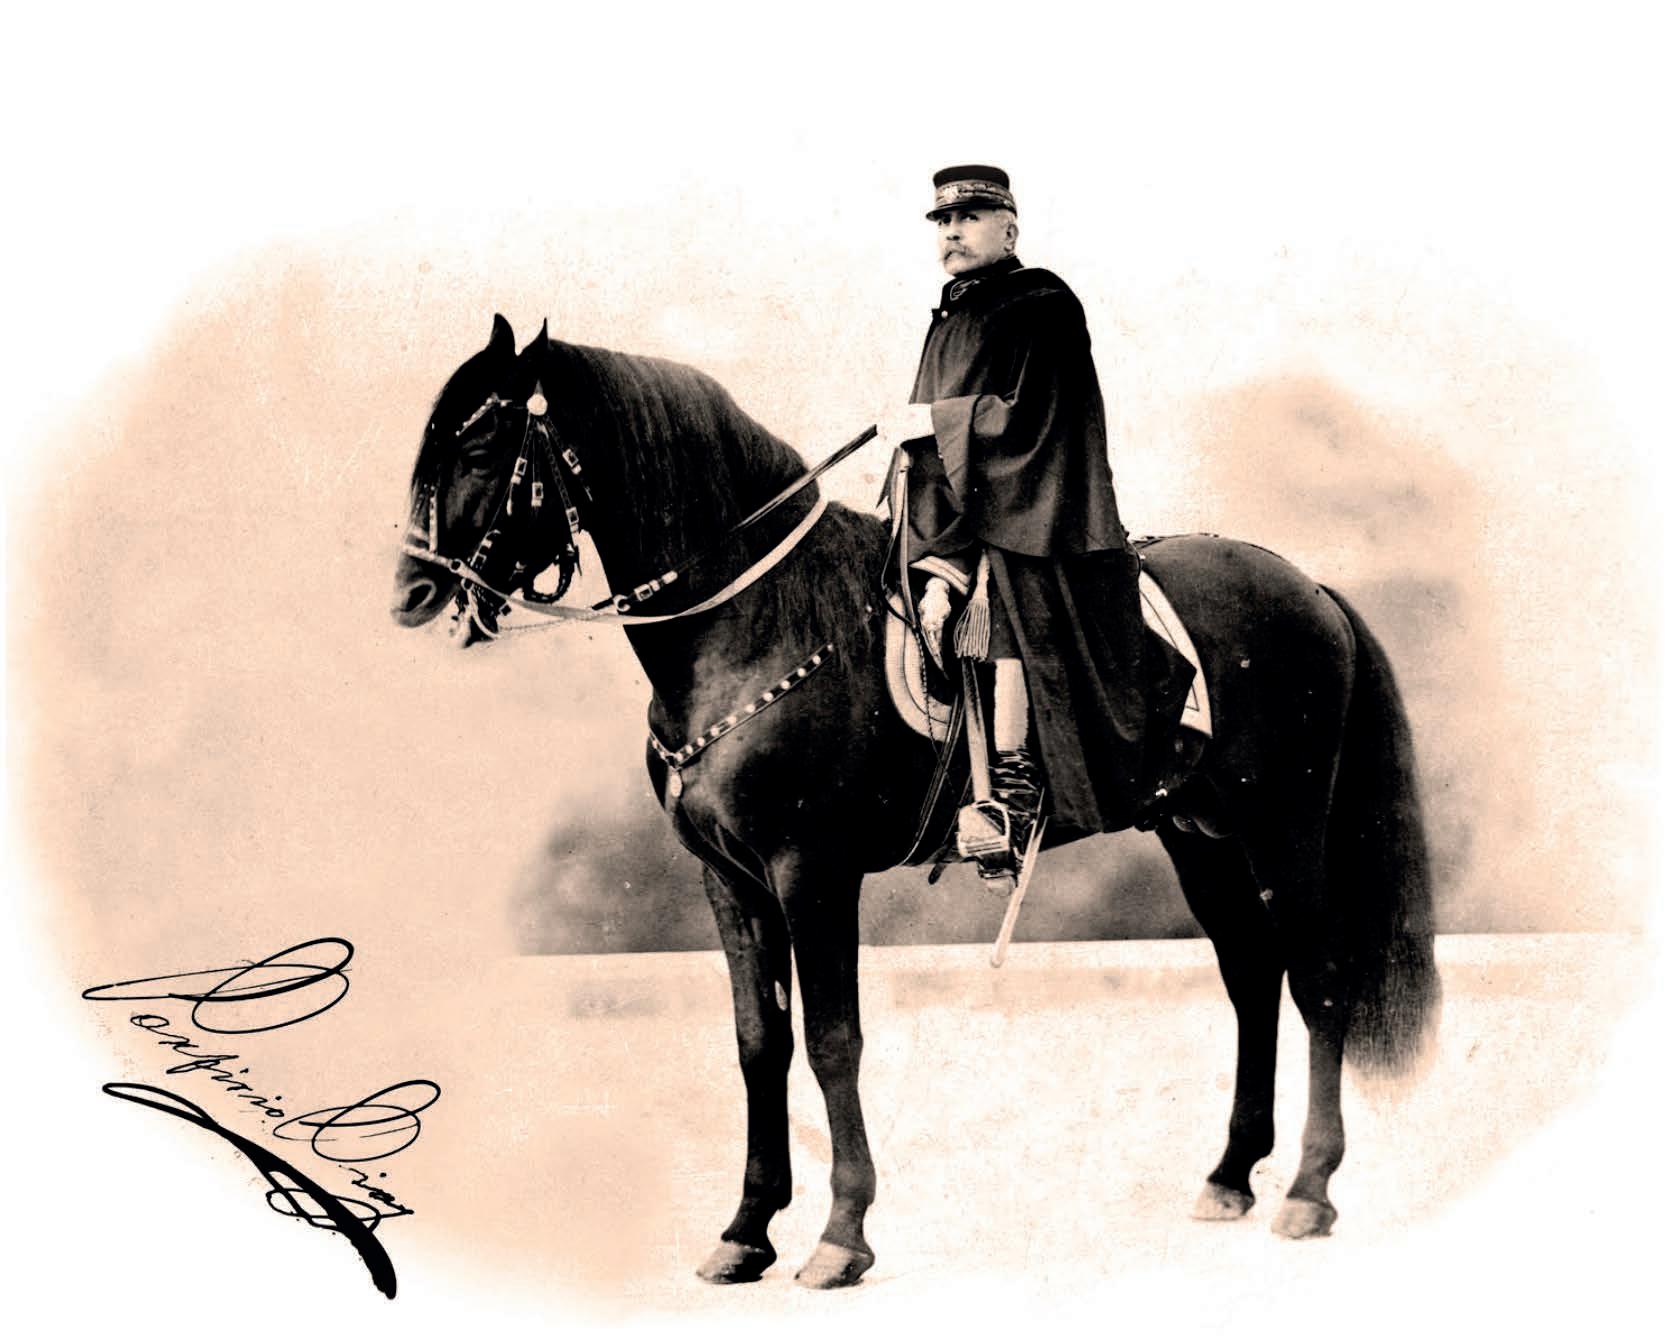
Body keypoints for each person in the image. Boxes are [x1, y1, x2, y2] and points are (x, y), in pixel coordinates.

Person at [874, 164, 1155, 868]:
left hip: (1037, 510)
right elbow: (938, 451)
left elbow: (1036, 420)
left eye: (968, 218)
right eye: (943, 221)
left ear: (1009, 229)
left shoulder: (1041, 303)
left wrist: (933, 420)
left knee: (1008, 605)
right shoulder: (950, 318)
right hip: (958, 517)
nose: (952, 232)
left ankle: (1014, 789)